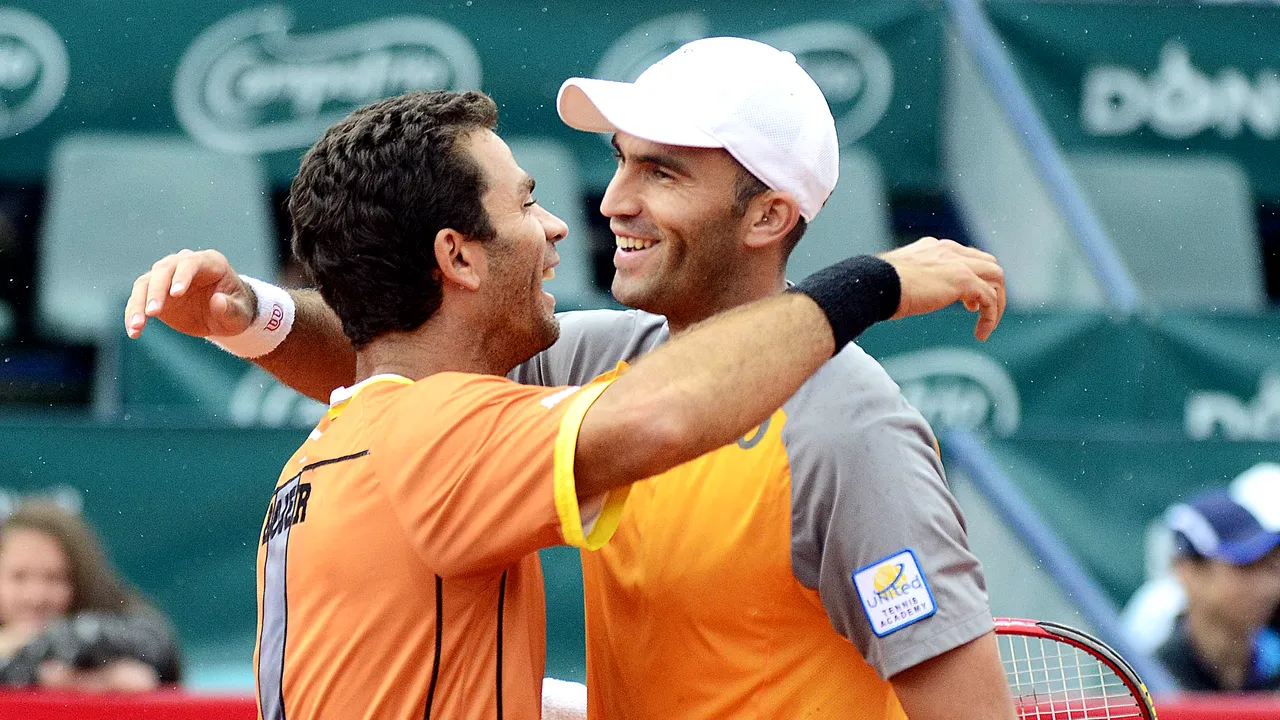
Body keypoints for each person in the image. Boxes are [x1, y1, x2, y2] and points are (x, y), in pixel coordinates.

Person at [126, 88, 1003, 718]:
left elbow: (400, 347)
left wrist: (254, 317)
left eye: (659, 172)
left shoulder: (846, 419)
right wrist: (873, 283)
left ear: (768, 216)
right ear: (458, 257)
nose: (604, 204)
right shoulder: (528, 403)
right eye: (619, 166)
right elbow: (661, 412)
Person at [0, 500, 181, 690]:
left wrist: (30, 645)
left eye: (54, 578)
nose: (35, 596)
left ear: (82, 579)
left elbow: (157, 643)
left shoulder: (118, 615)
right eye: (18, 577)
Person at [1157, 487, 1280, 691]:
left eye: (1270, 566)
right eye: (1244, 566)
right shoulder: (1150, 677)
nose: (1267, 586)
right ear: (1187, 572)